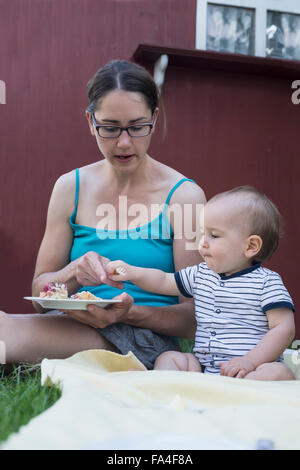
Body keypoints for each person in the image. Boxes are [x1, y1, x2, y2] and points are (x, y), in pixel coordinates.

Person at [0, 60, 205, 368]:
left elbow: (192, 319)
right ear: (90, 121)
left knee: (7, 336)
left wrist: (129, 312)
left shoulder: (185, 197)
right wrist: (72, 273)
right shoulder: (70, 187)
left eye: (137, 127)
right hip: (69, 324)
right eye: (109, 128)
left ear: (155, 118)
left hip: (145, 336)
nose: (124, 143)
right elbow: (40, 294)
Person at [106, 186, 296, 380]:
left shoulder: (266, 282)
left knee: (278, 372)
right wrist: (132, 272)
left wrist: (250, 361)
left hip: (248, 372)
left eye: (214, 235)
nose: (202, 243)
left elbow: (284, 328)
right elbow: (164, 280)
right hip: (206, 371)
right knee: (172, 357)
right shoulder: (200, 274)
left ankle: (235, 394)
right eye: (202, 234)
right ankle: (159, 383)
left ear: (250, 246)